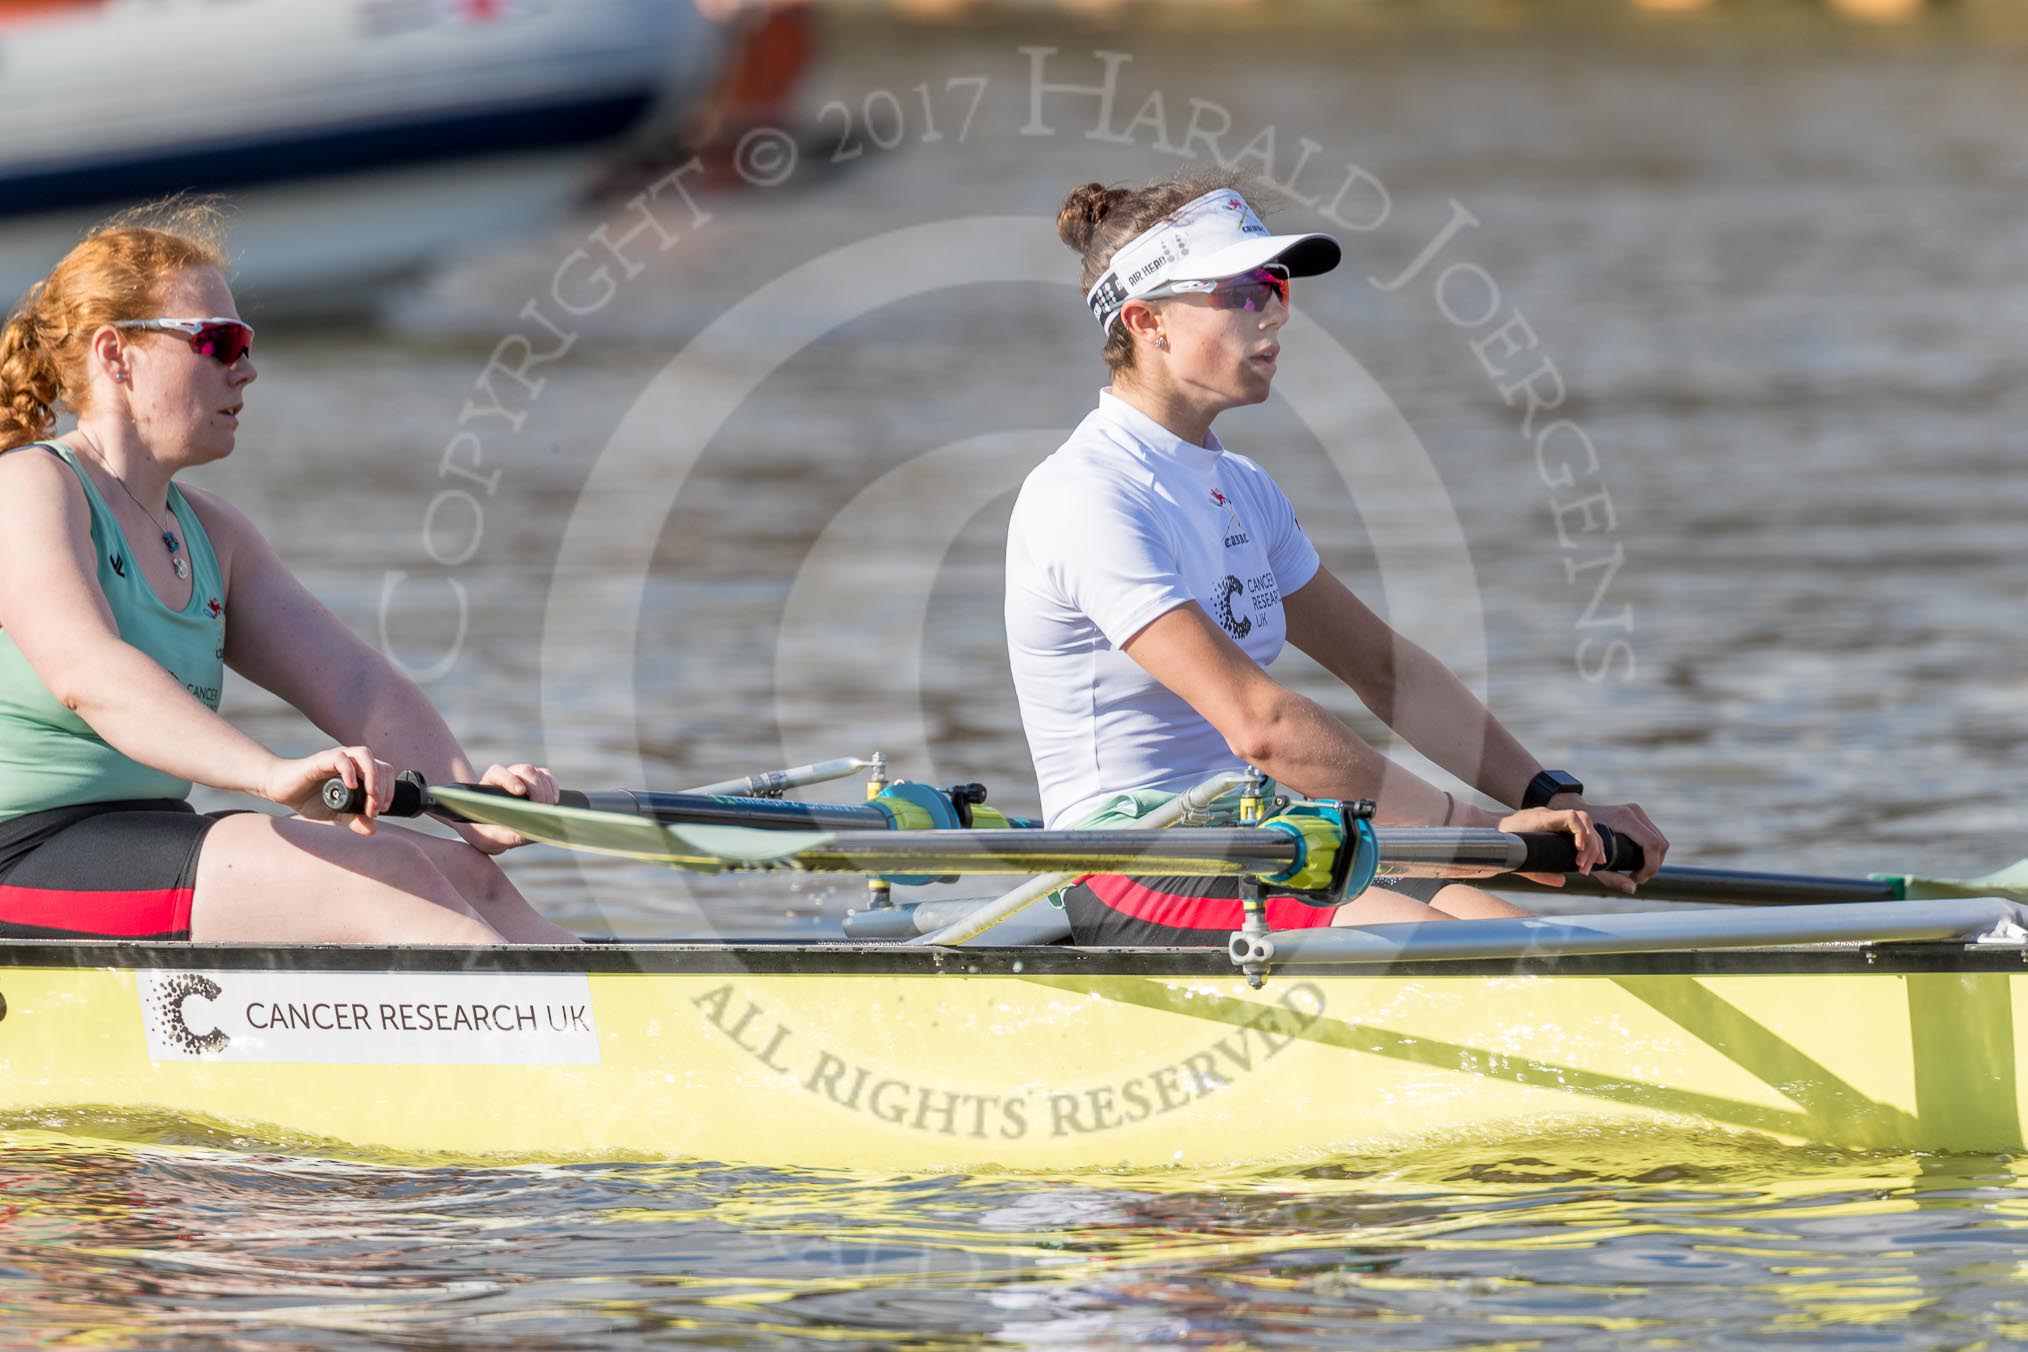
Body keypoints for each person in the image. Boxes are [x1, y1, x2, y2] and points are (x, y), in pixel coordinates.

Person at [1005, 177, 1670, 945]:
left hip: (1263, 839)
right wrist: (1486, 836)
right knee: (1496, 956)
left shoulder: (1243, 489)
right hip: (1133, 868)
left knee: (1550, 945)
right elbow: (1263, 728)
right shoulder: (1087, 496)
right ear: (1147, 320)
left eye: (1277, 286)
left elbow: (1390, 673)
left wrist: (1555, 800)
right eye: (1245, 292)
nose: (1279, 312)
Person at [0, 201, 575, 945]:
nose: (247, 367)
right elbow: (90, 675)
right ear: (116, 355)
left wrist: (466, 802)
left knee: (467, 876)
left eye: (245, 342)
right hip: (25, 853)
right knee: (393, 886)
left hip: (146, 839)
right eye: (218, 341)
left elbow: (356, 684)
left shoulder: (213, 531)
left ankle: (627, 1025)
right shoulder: (28, 488)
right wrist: (271, 775)